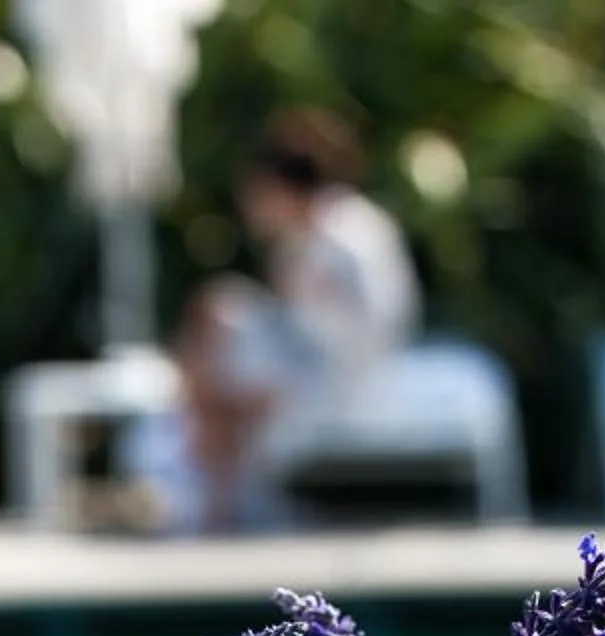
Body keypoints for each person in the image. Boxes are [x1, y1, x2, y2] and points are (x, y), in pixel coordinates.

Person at [132, 108, 420, 534]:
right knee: (216, 329)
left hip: (344, 378)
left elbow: (363, 331)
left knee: (219, 374)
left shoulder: (347, 236)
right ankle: (212, 494)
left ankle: (211, 499)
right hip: (312, 365)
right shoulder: (305, 239)